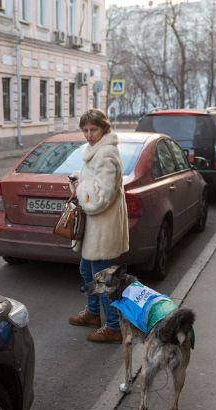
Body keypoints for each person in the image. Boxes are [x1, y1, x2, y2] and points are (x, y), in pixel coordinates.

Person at [67, 108, 130, 343]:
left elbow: (100, 198)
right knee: (86, 270)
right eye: (85, 130)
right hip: (95, 229)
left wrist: (80, 188)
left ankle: (113, 326)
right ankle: (93, 314)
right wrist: (79, 178)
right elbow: (94, 181)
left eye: (93, 129)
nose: (89, 134)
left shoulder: (106, 154)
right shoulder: (95, 150)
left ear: (104, 128)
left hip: (103, 228)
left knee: (102, 279)